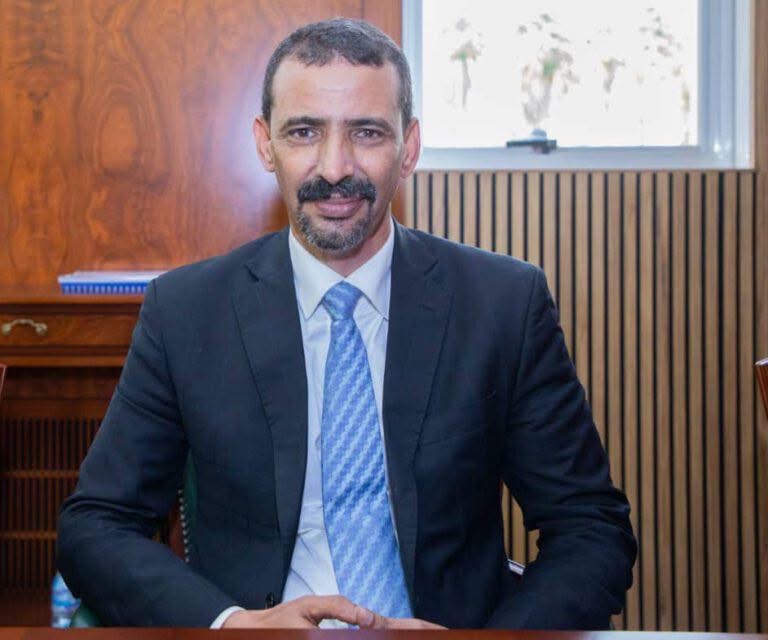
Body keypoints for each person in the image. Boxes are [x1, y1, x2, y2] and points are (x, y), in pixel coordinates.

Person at [57, 18, 636, 630]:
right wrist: (232, 624)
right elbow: (94, 526)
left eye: (366, 132)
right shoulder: (186, 312)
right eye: (304, 132)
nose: (335, 168)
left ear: (408, 147)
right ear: (265, 144)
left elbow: (591, 530)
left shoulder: (502, 305)